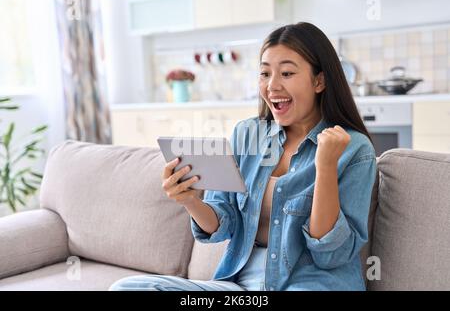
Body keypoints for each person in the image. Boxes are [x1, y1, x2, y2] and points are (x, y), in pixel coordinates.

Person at [110, 22, 377, 291]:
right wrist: (190, 200)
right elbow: (223, 222)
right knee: (128, 288)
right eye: (264, 73)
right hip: (240, 285)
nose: (272, 86)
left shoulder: (354, 149)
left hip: (312, 284)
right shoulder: (247, 134)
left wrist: (326, 166)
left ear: (319, 81)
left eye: (286, 73)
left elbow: (331, 254)